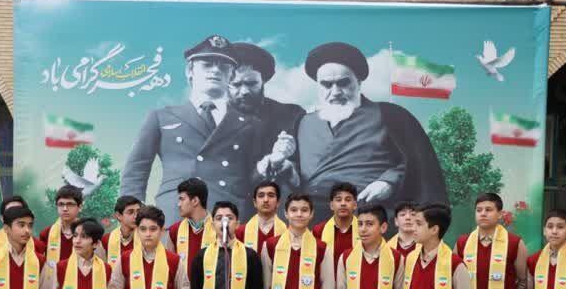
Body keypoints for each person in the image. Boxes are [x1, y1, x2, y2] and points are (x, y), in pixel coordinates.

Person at [289, 42, 448, 222]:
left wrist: (388, 181)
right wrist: (283, 166)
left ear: (358, 82)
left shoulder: (390, 115)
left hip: (370, 211)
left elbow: (417, 162)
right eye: (326, 85)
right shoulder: (304, 123)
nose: (335, 92)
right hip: (311, 215)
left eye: (343, 83)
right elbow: (293, 175)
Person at [120, 35, 264, 221]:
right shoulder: (161, 117)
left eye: (223, 66)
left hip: (228, 218)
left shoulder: (250, 124)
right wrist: (132, 218)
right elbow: (135, 171)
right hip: (175, 216)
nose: (215, 70)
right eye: (207, 64)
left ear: (232, 74)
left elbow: (258, 179)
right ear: (190, 70)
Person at [229, 42, 305, 200]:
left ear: (263, 81)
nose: (244, 91)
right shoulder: (215, 121)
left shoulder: (292, 115)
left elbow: (307, 170)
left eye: (251, 84)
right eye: (236, 84)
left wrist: (287, 165)